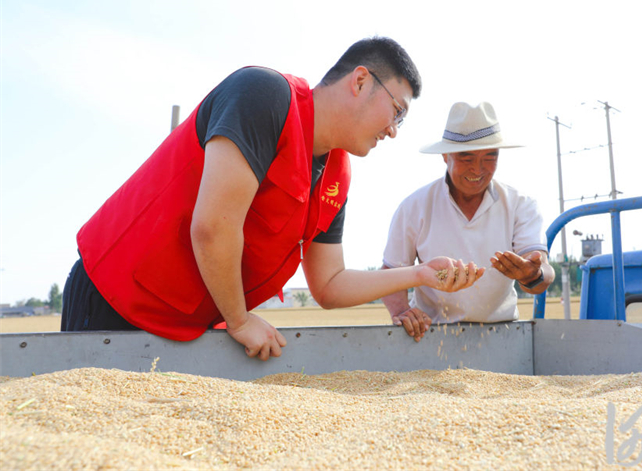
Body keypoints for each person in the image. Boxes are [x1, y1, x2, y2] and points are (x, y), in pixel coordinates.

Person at [61, 37, 485, 360]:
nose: (394, 129)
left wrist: (420, 275)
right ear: (359, 81)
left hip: (187, 325)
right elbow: (213, 227)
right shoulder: (263, 96)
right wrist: (241, 320)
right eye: (397, 111)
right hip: (115, 299)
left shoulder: (337, 172)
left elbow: (329, 285)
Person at [381, 101, 555, 341]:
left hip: (502, 335)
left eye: (489, 157)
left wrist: (531, 275)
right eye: (466, 157)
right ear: (445, 156)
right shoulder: (415, 206)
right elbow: (392, 271)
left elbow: (541, 272)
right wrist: (401, 311)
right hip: (431, 335)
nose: (478, 169)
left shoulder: (520, 205)